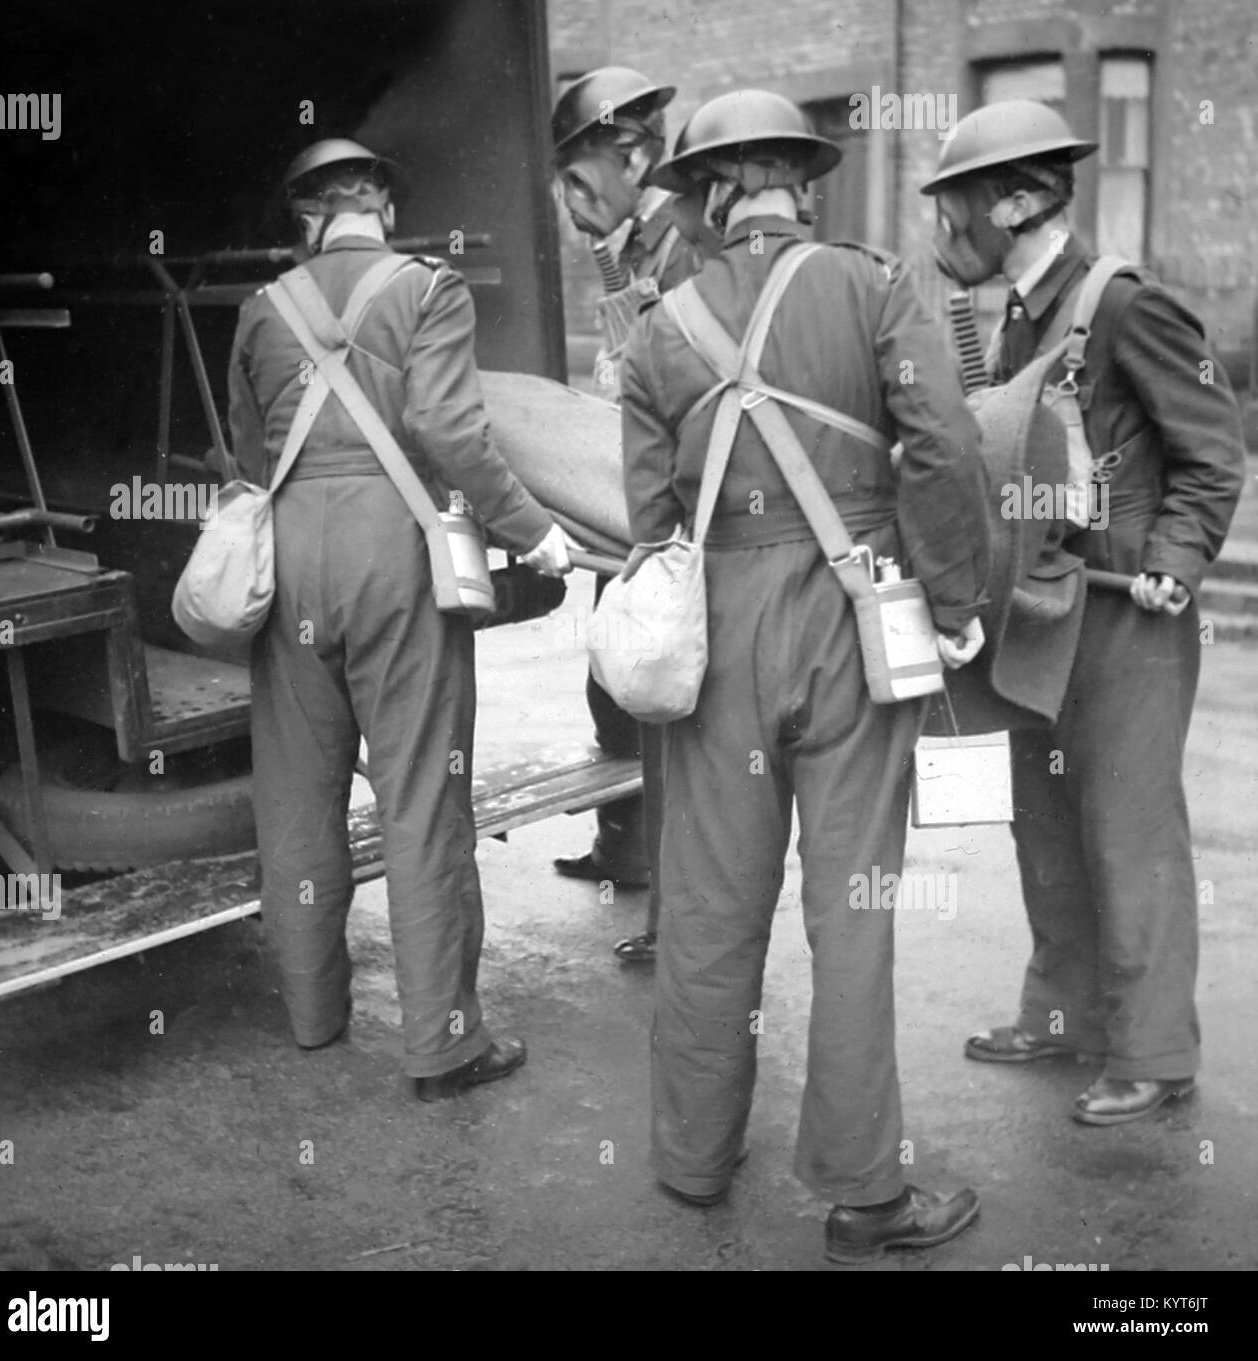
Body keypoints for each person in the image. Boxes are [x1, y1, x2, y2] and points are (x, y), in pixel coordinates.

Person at [618, 89, 992, 1263]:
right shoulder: (873, 285)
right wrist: (957, 598)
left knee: (709, 907)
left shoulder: (654, 323)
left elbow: (646, 519)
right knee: (855, 913)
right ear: (800, 184)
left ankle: (691, 1158)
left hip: (716, 631)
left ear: (709, 196)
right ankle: (864, 1193)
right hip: (852, 616)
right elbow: (945, 446)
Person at [921, 100, 1245, 1125]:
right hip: (1043, 599)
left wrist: (1176, 559)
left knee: (1128, 824)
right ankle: (1061, 1018)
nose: (946, 229)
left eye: (957, 205)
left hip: (1125, 612)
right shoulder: (1012, 311)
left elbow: (1212, 450)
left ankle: (1154, 1050)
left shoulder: (1124, 305)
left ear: (1017, 199)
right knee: (1045, 813)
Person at [227, 138, 572, 1100]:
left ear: (303, 218)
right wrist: (532, 532)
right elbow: (451, 431)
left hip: (293, 562)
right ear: (381, 206)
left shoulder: (262, 309)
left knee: (298, 800)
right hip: (397, 556)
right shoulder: (427, 288)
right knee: (421, 798)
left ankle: (312, 1017)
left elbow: (250, 454)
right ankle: (442, 1045)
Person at [550, 67, 717, 963]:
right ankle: (634, 856)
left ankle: (682, 923)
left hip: (687, 519)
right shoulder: (644, 245)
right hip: (651, 508)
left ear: (631, 156)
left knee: (674, 717)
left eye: (580, 178)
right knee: (618, 683)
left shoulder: (683, 245)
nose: (570, 202)